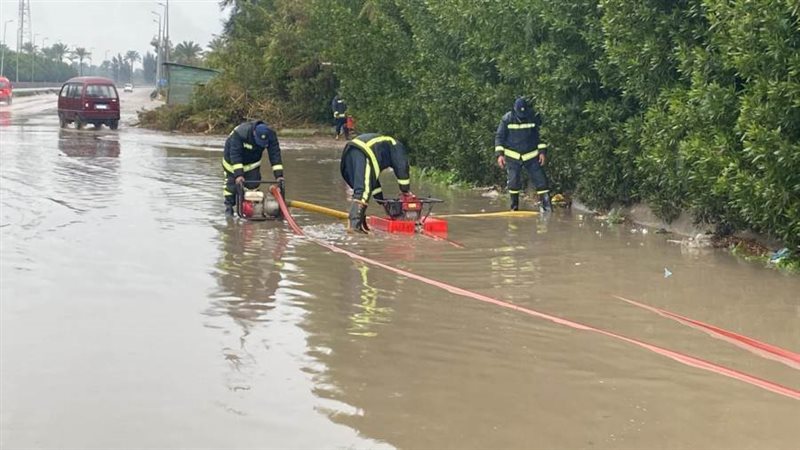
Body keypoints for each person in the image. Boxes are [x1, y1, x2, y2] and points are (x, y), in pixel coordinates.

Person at [340, 133, 412, 233]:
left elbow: (372, 181)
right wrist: (406, 190)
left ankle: (360, 224)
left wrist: (381, 200)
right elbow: (402, 167)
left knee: (364, 188)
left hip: (349, 152)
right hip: (363, 151)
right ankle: (354, 226)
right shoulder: (397, 145)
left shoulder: (383, 146)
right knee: (363, 191)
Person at [495, 97, 551, 212]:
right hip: (513, 156)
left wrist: (542, 152)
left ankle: (547, 207)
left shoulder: (533, 117)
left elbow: (541, 136)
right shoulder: (507, 119)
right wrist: (500, 155)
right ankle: (514, 207)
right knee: (513, 182)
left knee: (541, 180)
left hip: (531, 155)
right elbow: (499, 137)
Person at [222, 120, 284, 216]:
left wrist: (279, 176)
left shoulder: (271, 135)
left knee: (254, 184)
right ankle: (229, 209)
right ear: (254, 133)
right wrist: (238, 175)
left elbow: (275, 155)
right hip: (232, 162)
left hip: (252, 163)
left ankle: (252, 208)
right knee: (231, 187)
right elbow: (235, 154)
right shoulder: (240, 133)